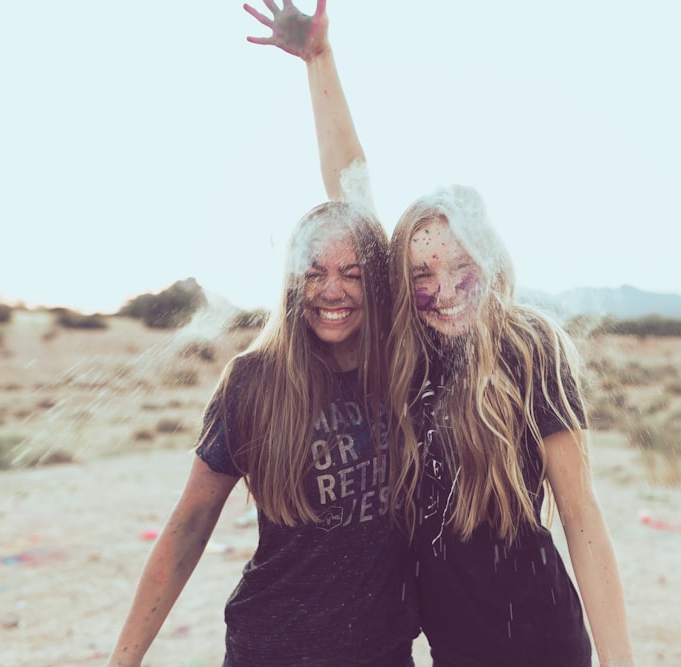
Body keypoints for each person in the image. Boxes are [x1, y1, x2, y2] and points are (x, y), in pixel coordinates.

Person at [255, 2, 637, 665]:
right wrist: (320, 61)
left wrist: (621, 661)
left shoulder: (529, 348)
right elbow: (352, 187)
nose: (444, 285)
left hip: (543, 637)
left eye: (462, 265)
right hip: (449, 642)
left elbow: (580, 515)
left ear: (489, 263)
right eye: (422, 270)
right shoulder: (407, 346)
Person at [104, 25, 419, 667]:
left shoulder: (400, 362)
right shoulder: (255, 382)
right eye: (314, 272)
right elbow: (191, 521)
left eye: (354, 272)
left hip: (383, 651)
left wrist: (320, 62)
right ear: (291, 282)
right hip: (272, 647)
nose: (333, 291)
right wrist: (124, 659)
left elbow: (354, 191)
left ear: (377, 279)